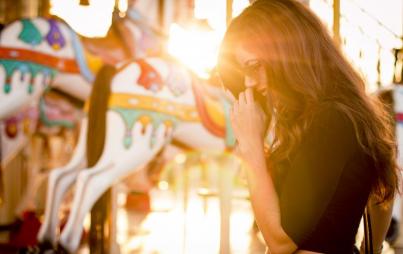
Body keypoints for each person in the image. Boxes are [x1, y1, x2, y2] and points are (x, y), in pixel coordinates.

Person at [217, 0, 400, 253]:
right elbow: (383, 187)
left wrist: (252, 147)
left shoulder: (330, 119)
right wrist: (371, 248)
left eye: (255, 66)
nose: (249, 82)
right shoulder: (332, 114)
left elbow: (280, 241)